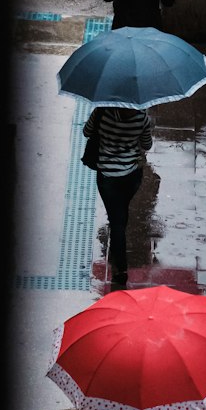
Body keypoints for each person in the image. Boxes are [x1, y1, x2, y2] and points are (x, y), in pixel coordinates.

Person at [82, 104, 152, 285]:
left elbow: (86, 132)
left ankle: (120, 268)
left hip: (107, 177)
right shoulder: (142, 117)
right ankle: (118, 247)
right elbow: (147, 145)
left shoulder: (102, 111)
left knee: (116, 221)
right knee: (120, 214)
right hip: (131, 176)